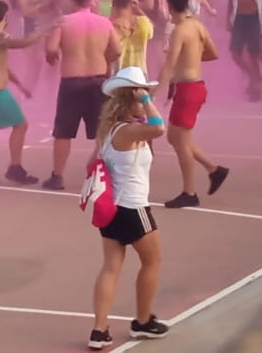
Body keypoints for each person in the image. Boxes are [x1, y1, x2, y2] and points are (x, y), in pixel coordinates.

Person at [87, 67, 170, 350]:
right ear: (130, 99)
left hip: (112, 210)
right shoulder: (130, 130)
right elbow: (159, 127)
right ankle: (143, 321)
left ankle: (99, 330)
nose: (146, 100)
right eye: (141, 95)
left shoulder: (109, 131)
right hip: (133, 208)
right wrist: (147, 101)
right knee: (153, 261)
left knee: (111, 267)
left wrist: (143, 100)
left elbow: (92, 162)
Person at [155, 0, 230, 208]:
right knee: (176, 138)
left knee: (180, 141)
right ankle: (214, 170)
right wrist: (192, 58)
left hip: (188, 89)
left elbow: (168, 66)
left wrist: (151, 93)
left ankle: (189, 192)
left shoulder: (180, 30)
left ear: (169, 6)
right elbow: (213, 53)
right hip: (194, 87)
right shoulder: (197, 25)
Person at [44, 0, 120, 191]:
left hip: (72, 81)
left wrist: (51, 56)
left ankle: (57, 176)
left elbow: (51, 48)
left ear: (73, 1)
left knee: (63, 132)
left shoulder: (64, 22)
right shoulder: (104, 22)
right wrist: (104, 60)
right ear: (92, 2)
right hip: (98, 80)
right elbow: (117, 50)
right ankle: (105, 175)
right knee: (102, 132)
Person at [0, 0, 45, 187]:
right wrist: (44, 31)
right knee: (21, 125)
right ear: (5, 17)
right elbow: (22, 43)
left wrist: (20, 85)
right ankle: (15, 168)